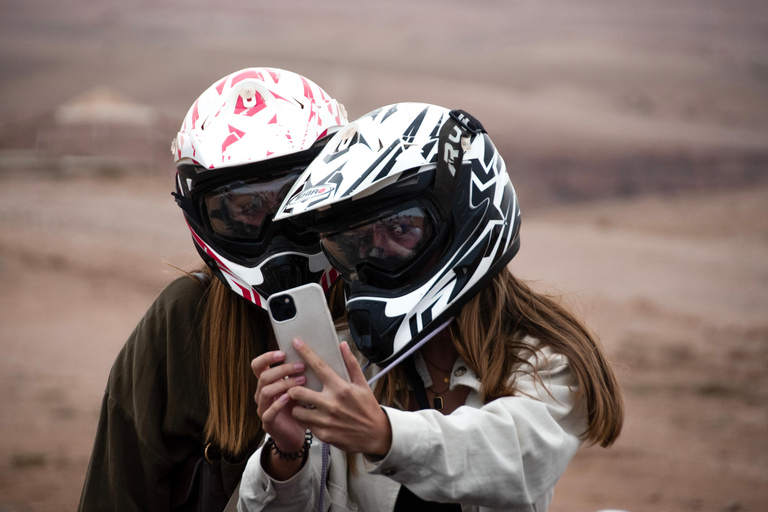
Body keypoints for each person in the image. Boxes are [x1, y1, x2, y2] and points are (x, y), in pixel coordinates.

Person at [239, 103, 625, 511]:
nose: (373, 254)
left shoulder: (543, 361)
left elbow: (511, 461)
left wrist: (383, 434)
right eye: (354, 241)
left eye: (401, 229)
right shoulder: (349, 360)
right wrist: (286, 456)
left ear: (461, 220)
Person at [77, 67, 348, 512]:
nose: (276, 233)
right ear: (199, 213)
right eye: (246, 208)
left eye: (298, 198)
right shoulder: (183, 322)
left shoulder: (380, 301)